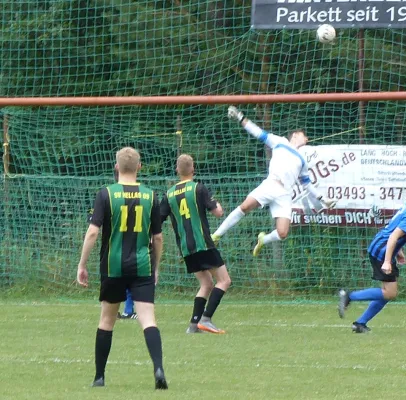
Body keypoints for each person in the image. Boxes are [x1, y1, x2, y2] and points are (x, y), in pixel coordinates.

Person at [77, 147, 168, 389]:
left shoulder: (106, 194)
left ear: (116, 168)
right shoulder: (150, 195)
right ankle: (158, 368)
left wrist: (82, 264)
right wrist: (155, 267)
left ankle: (99, 377)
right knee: (148, 319)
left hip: (113, 267)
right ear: (139, 167)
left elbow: (93, 232)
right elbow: (158, 238)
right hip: (142, 267)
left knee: (107, 320)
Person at [211, 106, 337, 256]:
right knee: (245, 206)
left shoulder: (302, 160)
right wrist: (240, 118)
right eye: (305, 135)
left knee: (282, 233)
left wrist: (322, 199)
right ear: (295, 135)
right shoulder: (280, 141)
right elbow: (258, 133)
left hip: (285, 194)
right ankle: (216, 235)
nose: (307, 139)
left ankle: (263, 240)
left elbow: (307, 184)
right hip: (271, 184)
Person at [338, 177, 406, 333]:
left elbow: (394, 229)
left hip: (381, 247)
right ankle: (349, 296)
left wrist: (398, 251)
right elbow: (394, 236)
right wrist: (388, 260)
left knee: (388, 293)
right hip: (382, 251)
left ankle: (360, 323)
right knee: (390, 292)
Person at [160, 154, 230, 334]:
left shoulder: (168, 194)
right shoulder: (198, 188)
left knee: (206, 283)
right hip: (203, 244)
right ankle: (206, 319)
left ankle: (193, 325)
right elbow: (218, 213)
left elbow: (157, 220)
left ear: (177, 170)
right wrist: (217, 203)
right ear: (193, 169)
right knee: (224, 281)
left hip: (186, 248)